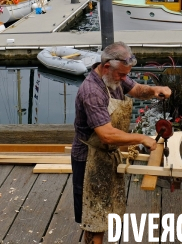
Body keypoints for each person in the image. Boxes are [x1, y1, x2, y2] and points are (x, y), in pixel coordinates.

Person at [71, 41, 171, 244]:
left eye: (126, 74)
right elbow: (107, 135)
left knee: (105, 212)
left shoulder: (114, 78)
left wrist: (155, 90)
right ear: (106, 66)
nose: (125, 79)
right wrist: (142, 138)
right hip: (89, 159)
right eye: (122, 75)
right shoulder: (92, 91)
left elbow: (136, 89)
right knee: (93, 219)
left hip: (107, 155)